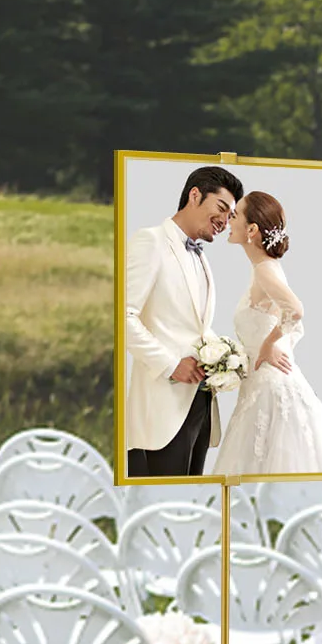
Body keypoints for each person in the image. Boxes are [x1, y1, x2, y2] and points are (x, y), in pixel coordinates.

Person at [122, 165, 242, 477]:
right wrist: (171, 364)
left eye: (231, 215)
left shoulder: (200, 256)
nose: (225, 221)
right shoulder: (150, 242)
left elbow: (193, 326)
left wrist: (229, 358)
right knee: (163, 509)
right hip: (160, 408)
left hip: (201, 405)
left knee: (191, 503)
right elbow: (122, 316)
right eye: (221, 208)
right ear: (194, 195)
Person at [211, 191, 322, 476]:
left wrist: (268, 345)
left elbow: (296, 311)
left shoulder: (265, 270)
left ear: (251, 230)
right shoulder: (265, 269)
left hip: (269, 386)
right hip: (259, 383)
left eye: (235, 214)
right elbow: (287, 319)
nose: (229, 218)